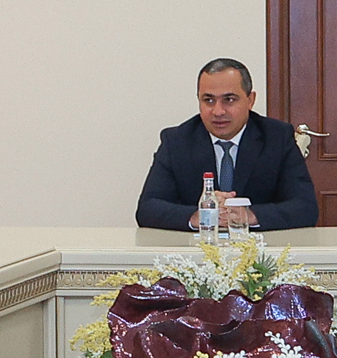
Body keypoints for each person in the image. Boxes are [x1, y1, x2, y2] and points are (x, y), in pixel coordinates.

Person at [134, 59, 319, 232]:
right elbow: (147, 209)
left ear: (250, 100)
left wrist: (249, 216)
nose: (218, 111)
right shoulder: (177, 141)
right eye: (208, 100)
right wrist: (199, 216)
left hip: (259, 248)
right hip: (196, 249)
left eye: (229, 100)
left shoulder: (277, 138)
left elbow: (306, 208)